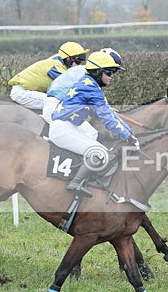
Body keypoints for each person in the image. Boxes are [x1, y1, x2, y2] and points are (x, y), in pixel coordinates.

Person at [49, 49, 136, 196]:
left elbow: (109, 114)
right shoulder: (91, 88)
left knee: (97, 142)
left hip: (68, 126)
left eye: (114, 72)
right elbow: (107, 118)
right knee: (100, 153)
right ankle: (75, 183)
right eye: (109, 72)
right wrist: (127, 135)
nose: (113, 76)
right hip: (63, 128)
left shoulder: (89, 84)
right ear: (97, 72)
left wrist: (128, 132)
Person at [8, 41, 90, 110]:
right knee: (54, 102)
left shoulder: (59, 62)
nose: (80, 64)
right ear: (68, 58)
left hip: (28, 91)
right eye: (79, 60)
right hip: (21, 93)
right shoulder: (54, 67)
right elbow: (72, 85)